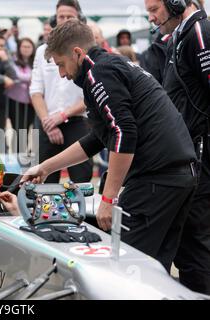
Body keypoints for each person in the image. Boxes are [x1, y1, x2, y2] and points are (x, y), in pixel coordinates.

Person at [22, 20, 197, 272]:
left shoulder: (98, 73)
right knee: (156, 272)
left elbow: (123, 133)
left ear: (77, 53)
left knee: (126, 269)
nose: (61, 74)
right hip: (179, 175)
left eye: (61, 64)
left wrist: (108, 197)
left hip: (157, 179)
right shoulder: (110, 65)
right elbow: (96, 139)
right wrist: (45, 167)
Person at [145, 0, 210, 294]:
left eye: (154, 8)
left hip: (199, 156)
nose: (151, 17)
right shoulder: (180, 36)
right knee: (187, 242)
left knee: (196, 241)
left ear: (176, 3)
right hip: (187, 156)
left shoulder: (199, 32)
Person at [30, 0, 93, 184]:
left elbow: (90, 95)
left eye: (69, 17)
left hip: (78, 121)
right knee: (43, 180)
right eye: (61, 17)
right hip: (47, 123)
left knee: (82, 181)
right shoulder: (42, 51)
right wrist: (48, 122)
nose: (64, 20)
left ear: (79, 20)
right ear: (54, 19)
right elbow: (35, 91)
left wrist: (62, 116)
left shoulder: (85, 52)